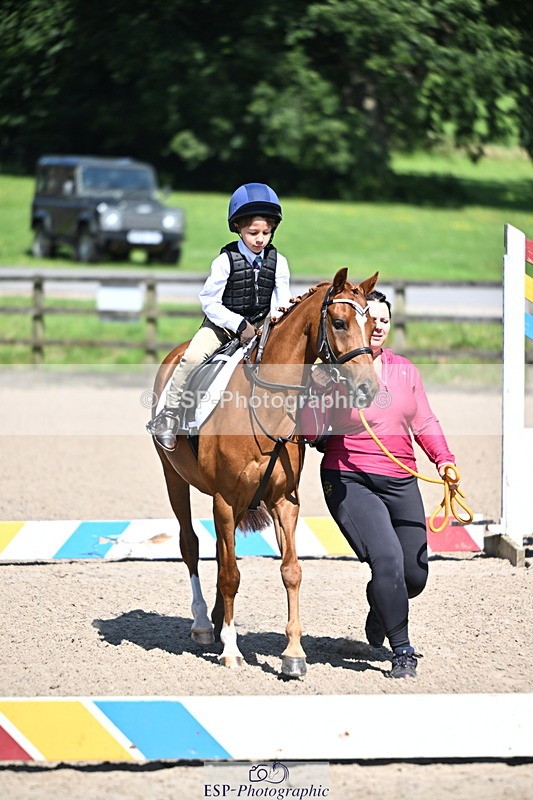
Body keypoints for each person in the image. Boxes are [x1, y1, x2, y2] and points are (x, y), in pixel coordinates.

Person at [300, 289, 457, 679]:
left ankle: (380, 606)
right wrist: (317, 392)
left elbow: (425, 422)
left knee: (414, 576)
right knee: (386, 560)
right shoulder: (333, 371)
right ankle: (402, 650)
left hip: (401, 478)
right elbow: (306, 432)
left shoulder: (405, 371)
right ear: (359, 322)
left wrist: (445, 460)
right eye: (373, 318)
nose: (379, 325)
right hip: (349, 477)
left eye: (385, 319)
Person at [147, 182, 293, 450]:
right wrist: (238, 324)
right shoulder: (225, 260)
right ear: (238, 227)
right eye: (253, 233)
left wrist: (275, 321)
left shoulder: (279, 262)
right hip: (221, 327)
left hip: (261, 329)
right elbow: (209, 301)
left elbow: (281, 300)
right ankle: (169, 415)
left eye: (266, 232)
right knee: (191, 357)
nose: (260, 239)